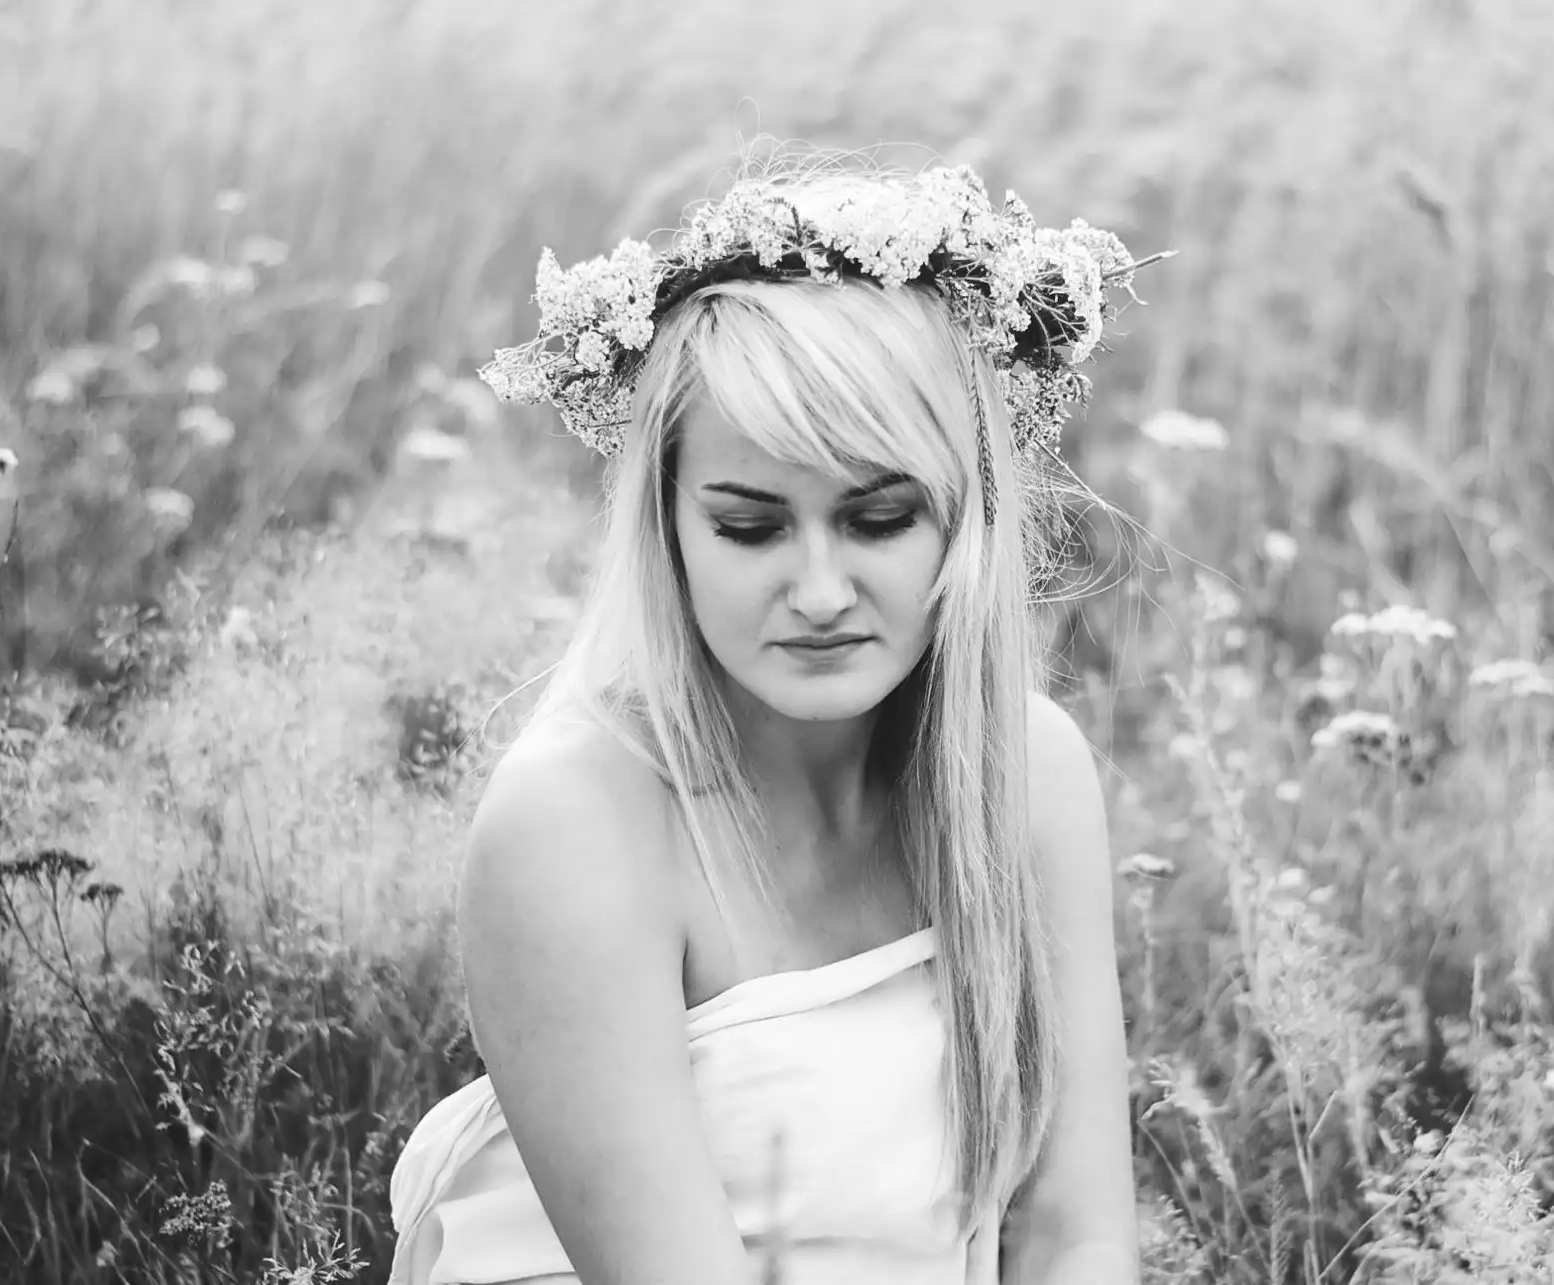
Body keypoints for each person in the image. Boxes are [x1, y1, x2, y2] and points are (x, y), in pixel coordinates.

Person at [387, 148, 1165, 1285]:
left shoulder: (1028, 776)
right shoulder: (576, 824)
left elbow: (1073, 1237)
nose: (816, 591)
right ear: (667, 528)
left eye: (879, 519)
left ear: (970, 518)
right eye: (750, 527)